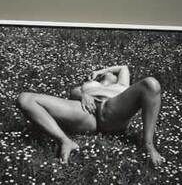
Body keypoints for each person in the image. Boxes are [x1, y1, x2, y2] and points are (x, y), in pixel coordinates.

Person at [16, 63, 167, 167]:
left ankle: (148, 145)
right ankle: (65, 141)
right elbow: (73, 93)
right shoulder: (88, 85)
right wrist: (83, 94)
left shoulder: (122, 85)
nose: (109, 74)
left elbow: (123, 67)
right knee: (25, 99)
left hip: (113, 112)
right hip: (87, 113)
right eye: (106, 74)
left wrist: (100, 71)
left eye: (111, 73)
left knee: (151, 84)